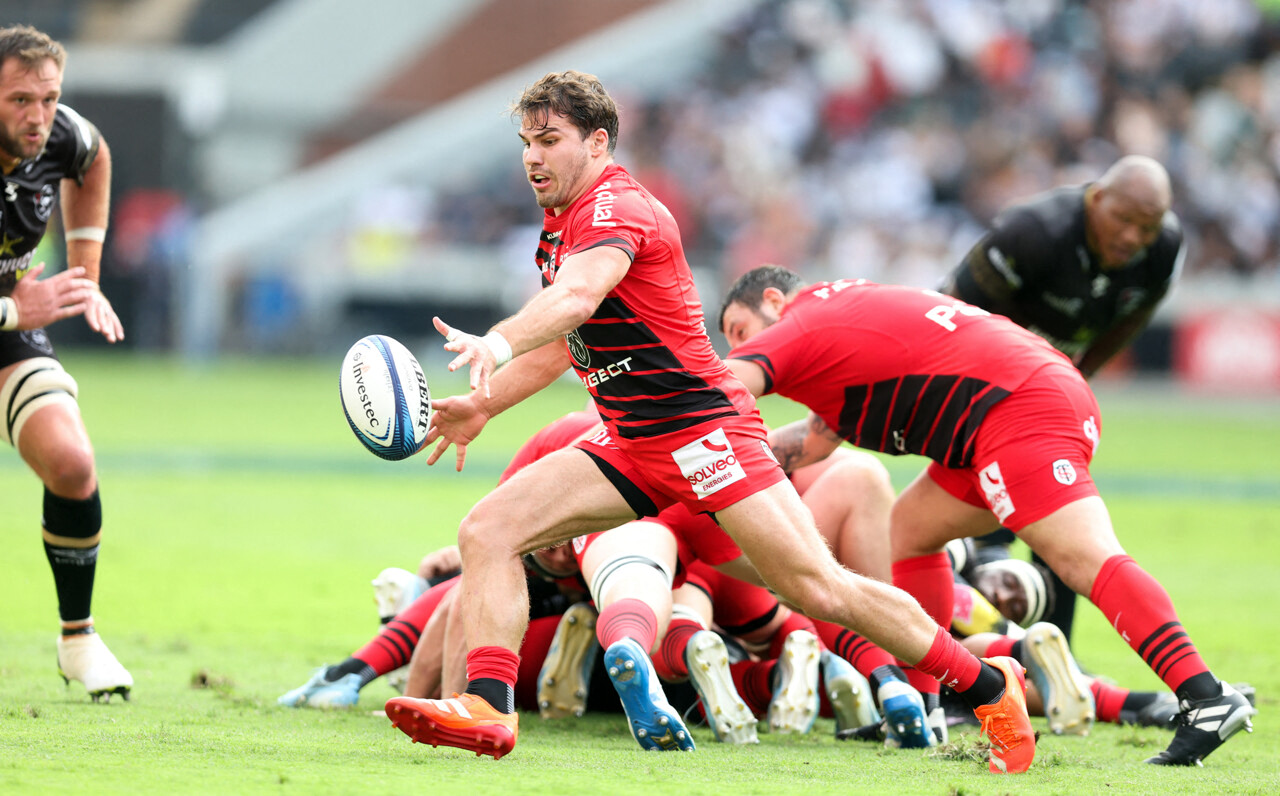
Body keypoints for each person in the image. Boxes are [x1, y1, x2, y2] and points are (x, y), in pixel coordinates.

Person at [383, 70, 1034, 774]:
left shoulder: (617, 207)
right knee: (488, 531)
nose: (532, 157)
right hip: (632, 442)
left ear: (598, 143)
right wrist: (483, 403)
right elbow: (562, 348)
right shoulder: (562, 224)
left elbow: (574, 300)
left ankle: (992, 688)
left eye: (549, 140)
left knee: (819, 588)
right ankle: (488, 707)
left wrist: (497, 342)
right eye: (525, 143)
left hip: (704, 435)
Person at [718, 264, 1257, 767]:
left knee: (1082, 558)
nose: (743, 344)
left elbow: (715, 392)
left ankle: (1205, 696)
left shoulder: (801, 323)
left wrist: (652, 446)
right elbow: (806, 442)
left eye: (740, 329)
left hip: (1016, 406)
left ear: (772, 300)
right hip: (1005, 410)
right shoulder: (832, 322)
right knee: (909, 533)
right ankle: (923, 710)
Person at [938, 156, 1184, 642]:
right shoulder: (1032, 233)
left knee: (1059, 519)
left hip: (1047, 387)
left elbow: (1135, 314)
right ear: (1096, 199)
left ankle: (1056, 660)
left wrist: (1074, 377)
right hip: (976, 380)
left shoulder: (1164, 246)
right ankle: (981, 659)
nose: (1134, 237)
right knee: (982, 527)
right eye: (1124, 220)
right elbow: (951, 312)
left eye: (1147, 227)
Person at [0, 24, 129, 702]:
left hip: (9, 321)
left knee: (73, 463)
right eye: (20, 99)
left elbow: (96, 157)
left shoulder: (59, 136)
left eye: (48, 99)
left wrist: (85, 271)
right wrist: (18, 310)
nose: (38, 117)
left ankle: (78, 639)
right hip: (11, 313)